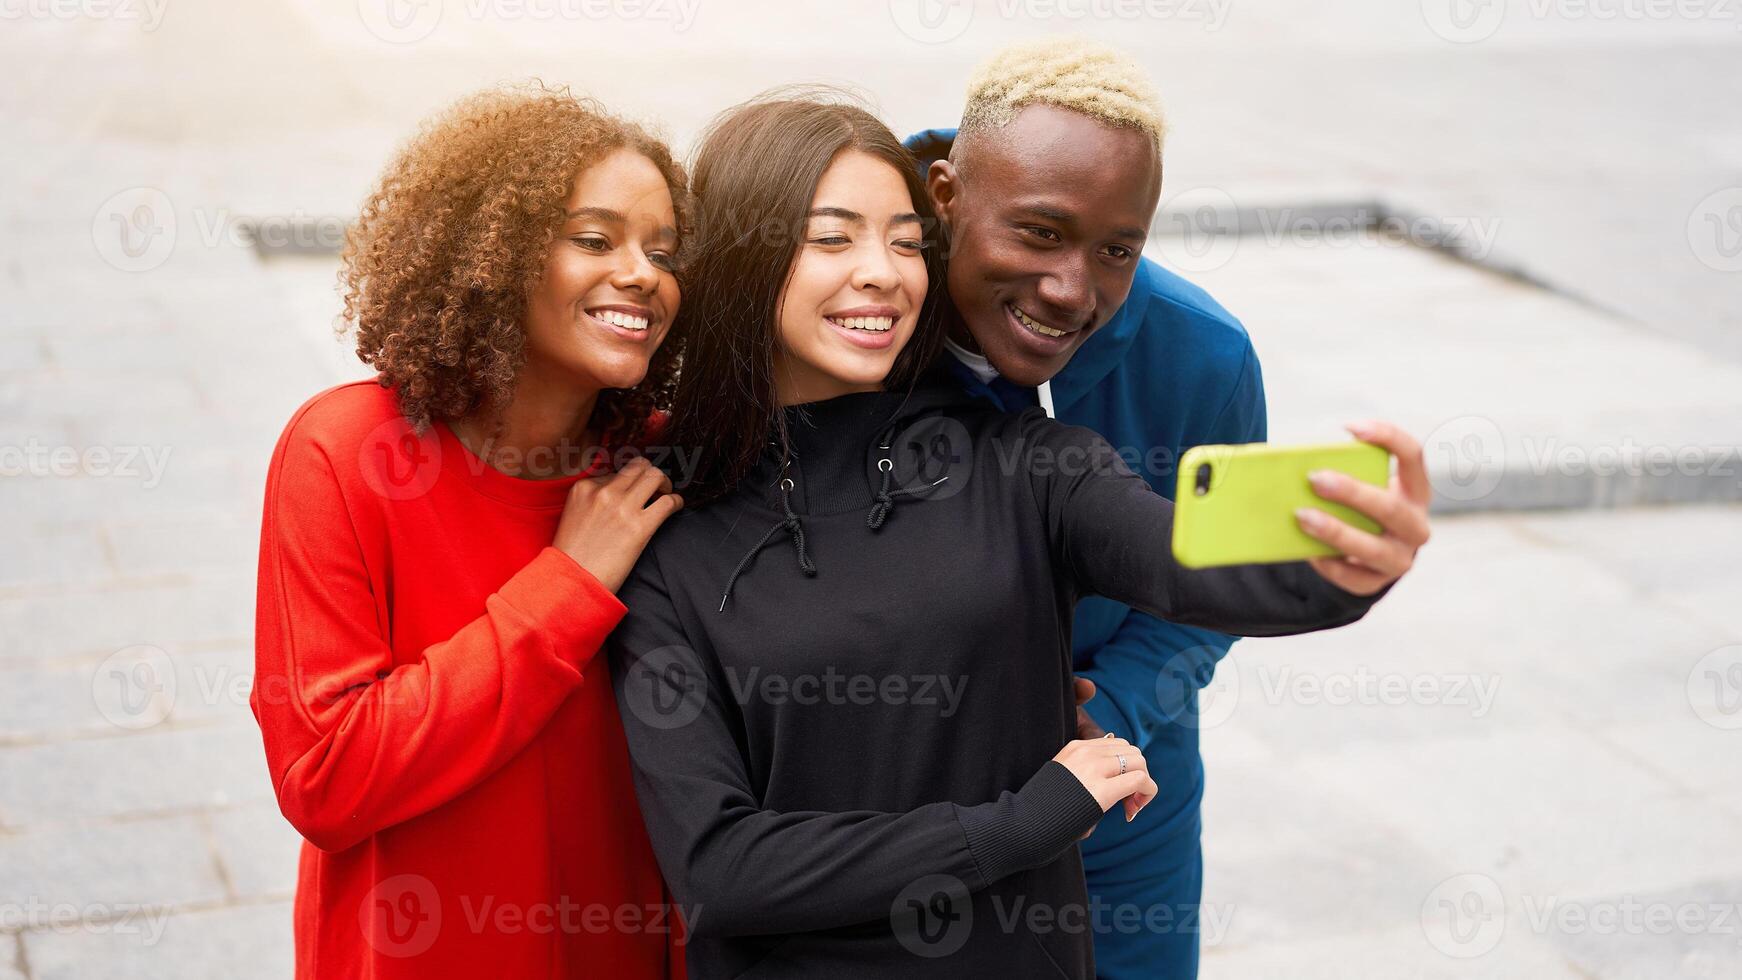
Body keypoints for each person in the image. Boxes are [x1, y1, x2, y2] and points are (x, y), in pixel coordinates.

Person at [607, 94, 1412, 979]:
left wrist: (1337, 570)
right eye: (833, 238)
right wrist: (1021, 823)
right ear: (743, 260)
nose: (882, 272)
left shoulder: (1028, 465)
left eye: (907, 242)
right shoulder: (664, 535)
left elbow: (1191, 565)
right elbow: (724, 873)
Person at [905, 39, 1433, 978]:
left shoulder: (1202, 357)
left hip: (1121, 808)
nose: (1073, 290)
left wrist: (1112, 709)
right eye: (1038, 231)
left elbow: (1207, 594)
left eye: (1117, 248)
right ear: (945, 195)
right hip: (906, 802)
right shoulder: (857, 310)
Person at [251, 85, 688, 978]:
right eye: (595, 240)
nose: (643, 273)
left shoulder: (658, 467)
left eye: (664, 251)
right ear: (492, 255)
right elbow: (327, 776)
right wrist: (568, 584)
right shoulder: (346, 452)